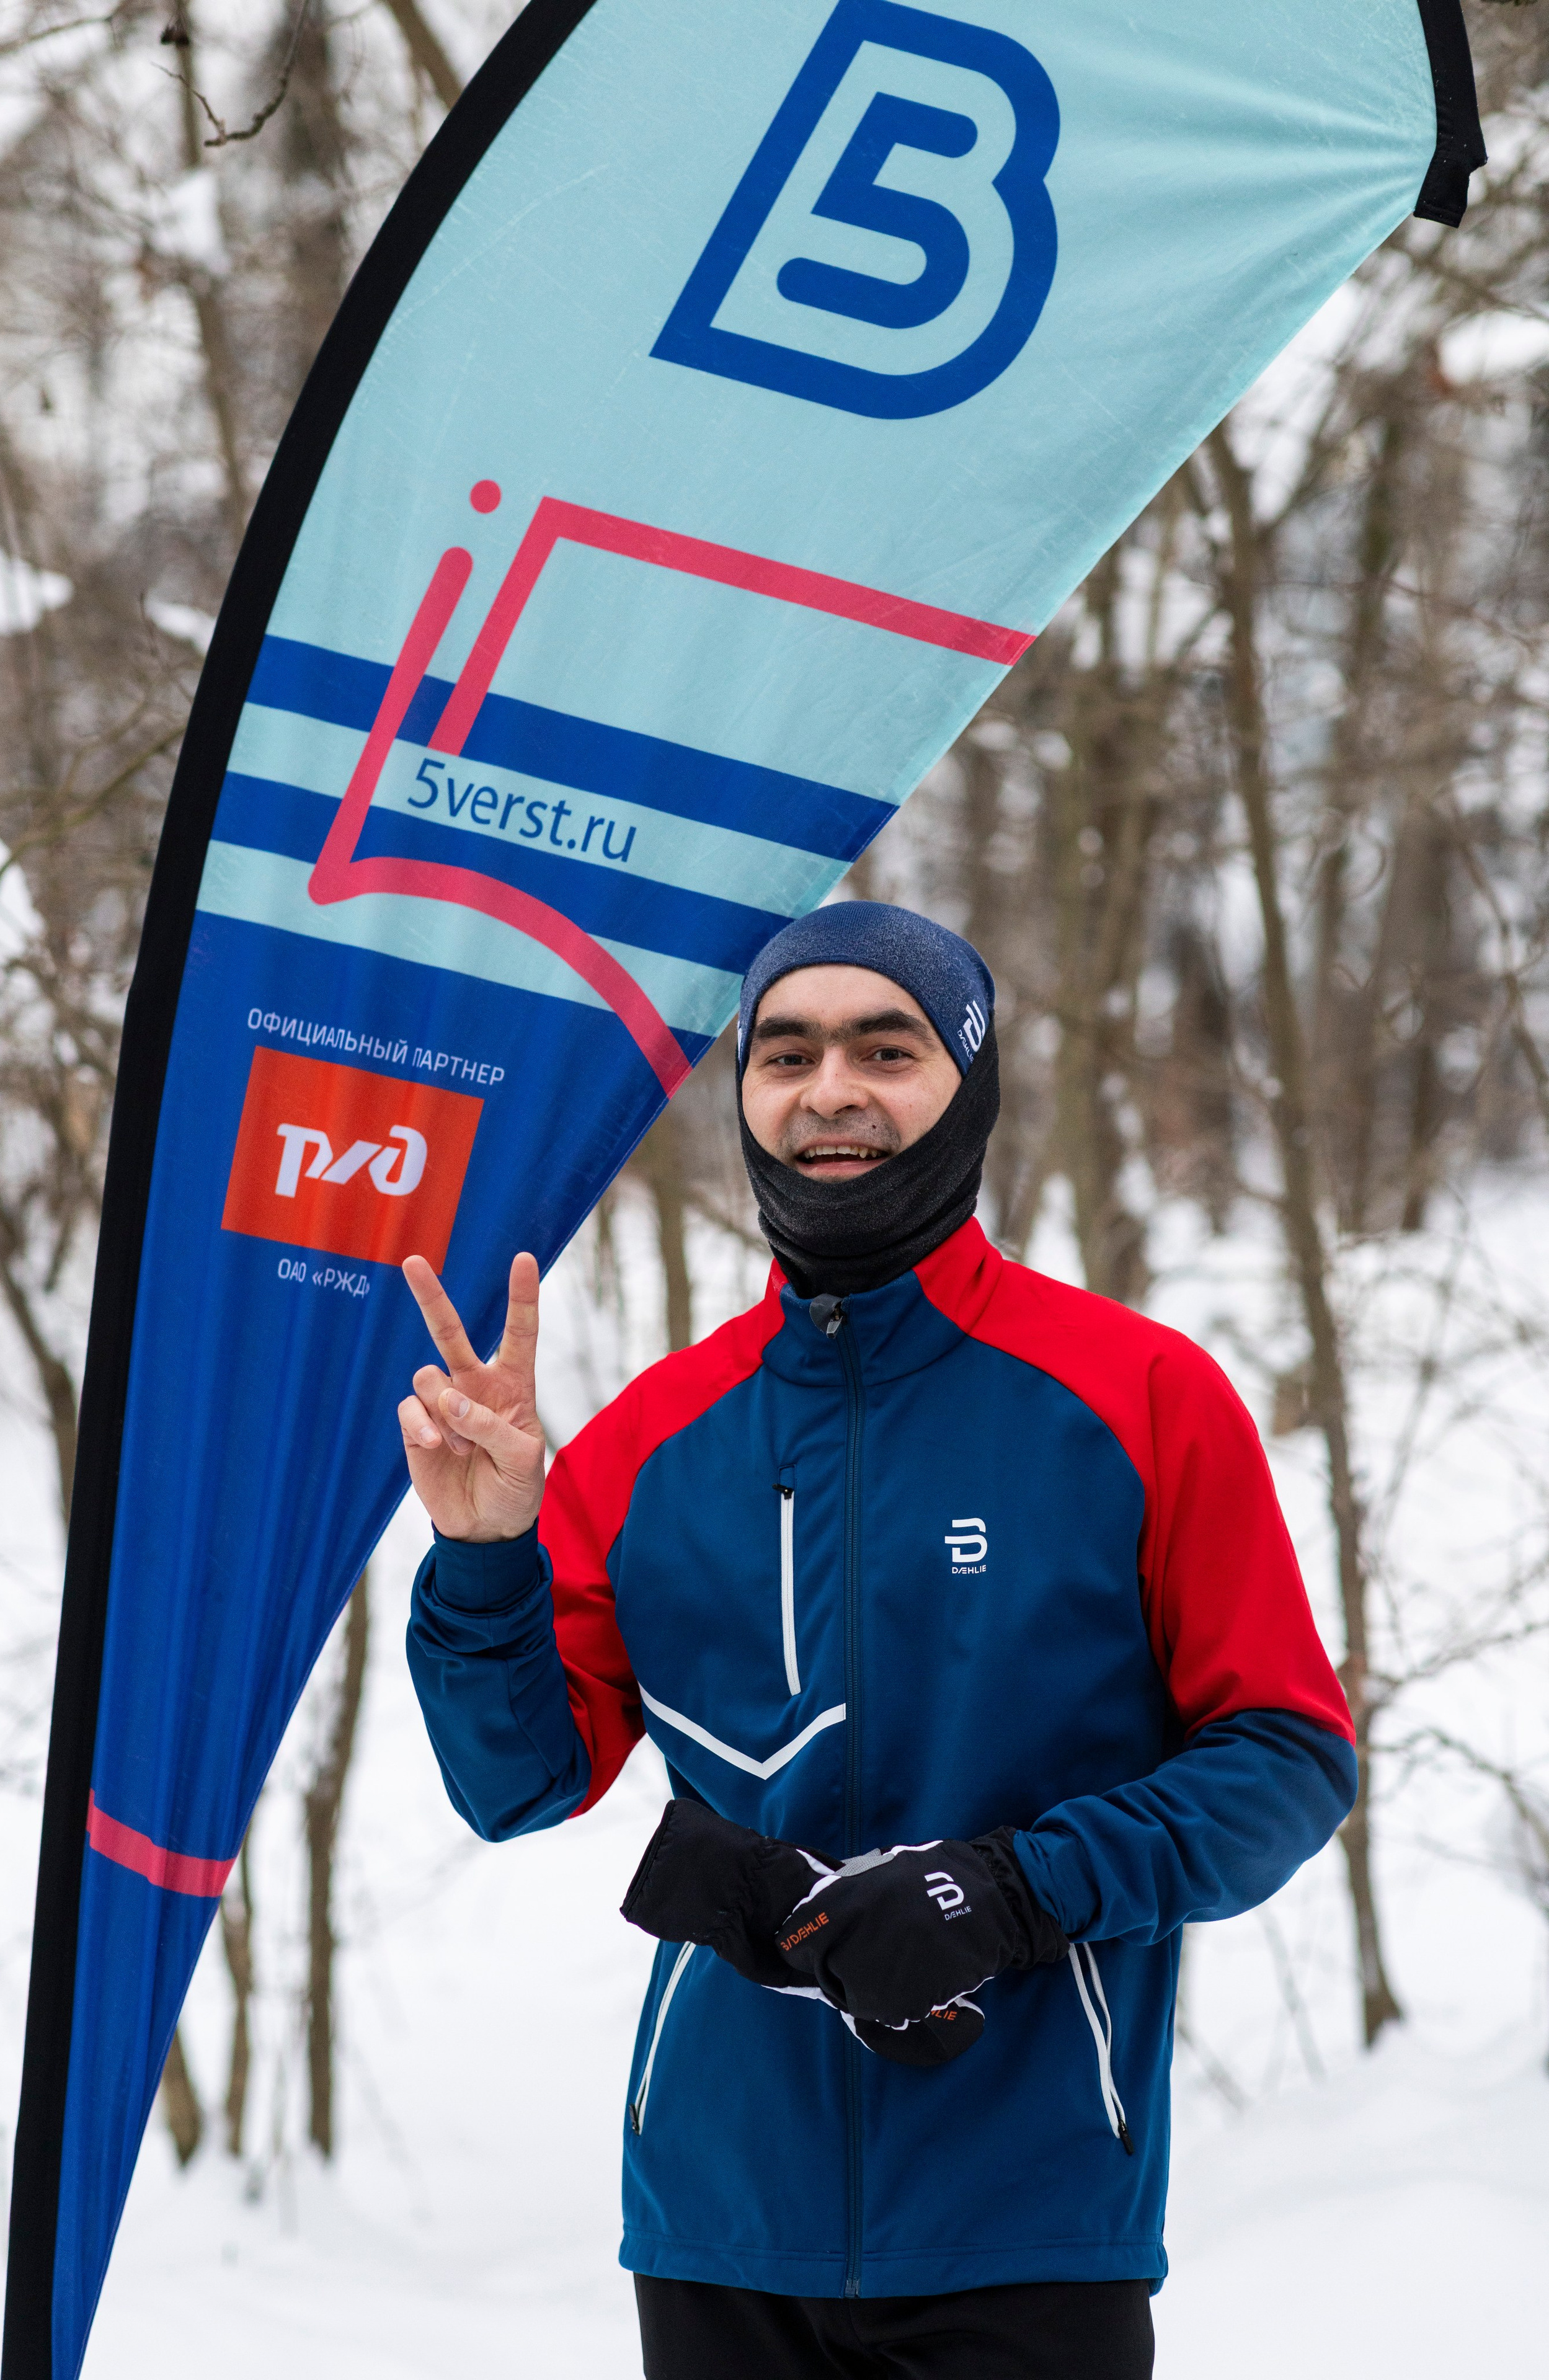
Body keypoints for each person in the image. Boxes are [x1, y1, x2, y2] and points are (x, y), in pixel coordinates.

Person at [400, 902, 1356, 2380]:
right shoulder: (659, 1435)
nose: (827, 1089)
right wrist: (482, 1555)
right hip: (718, 2228)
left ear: (964, 1080)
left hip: (1028, 2222)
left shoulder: (1137, 1396)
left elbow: (1286, 1762)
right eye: (783, 1053)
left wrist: (1013, 1888)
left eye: (881, 1046)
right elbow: (515, 1777)